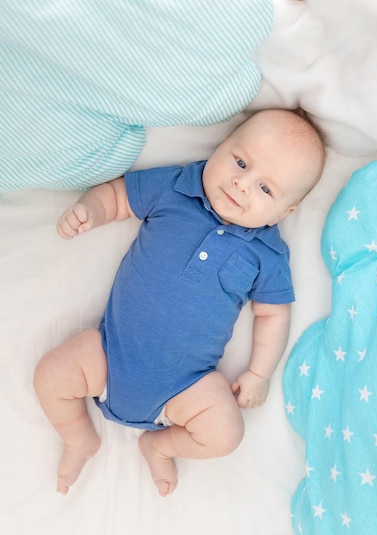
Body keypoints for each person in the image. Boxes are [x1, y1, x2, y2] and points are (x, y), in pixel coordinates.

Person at [33, 109, 325, 497]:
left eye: (265, 189)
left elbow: (273, 314)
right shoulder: (175, 187)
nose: (241, 184)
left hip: (181, 393)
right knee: (51, 374)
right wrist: (91, 210)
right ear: (221, 146)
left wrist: (259, 374)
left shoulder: (268, 256)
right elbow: (119, 196)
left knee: (226, 433)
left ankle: (161, 445)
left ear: (285, 212)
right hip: (108, 358)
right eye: (240, 162)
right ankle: (78, 437)